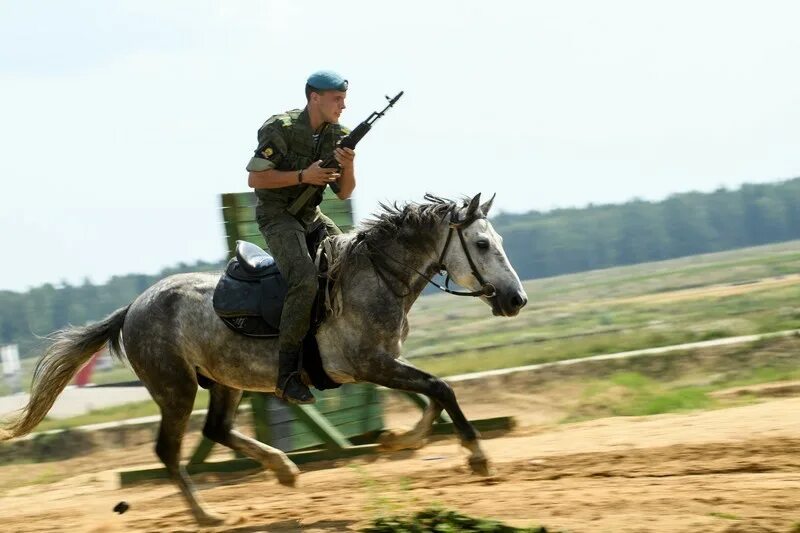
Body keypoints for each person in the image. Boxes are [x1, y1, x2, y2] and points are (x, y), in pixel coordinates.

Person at [246, 70, 356, 404]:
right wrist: (302, 175)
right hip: (278, 217)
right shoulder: (279, 128)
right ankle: (287, 375)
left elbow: (344, 193)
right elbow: (255, 179)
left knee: (353, 264)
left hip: (311, 215)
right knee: (305, 281)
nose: (343, 106)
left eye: (344, 99)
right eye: (336, 99)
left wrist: (348, 165)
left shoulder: (339, 135)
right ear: (314, 98)